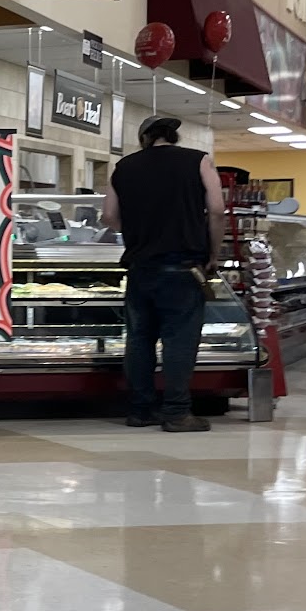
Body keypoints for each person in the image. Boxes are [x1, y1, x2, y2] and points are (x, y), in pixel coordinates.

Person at [103, 115, 226, 433]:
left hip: (140, 269)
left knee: (139, 340)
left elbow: (109, 216)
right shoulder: (199, 161)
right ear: (174, 136)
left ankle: (140, 410)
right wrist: (213, 253)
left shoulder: (124, 166)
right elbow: (216, 210)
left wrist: (139, 231)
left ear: (144, 138)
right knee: (179, 340)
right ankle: (177, 413)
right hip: (183, 269)